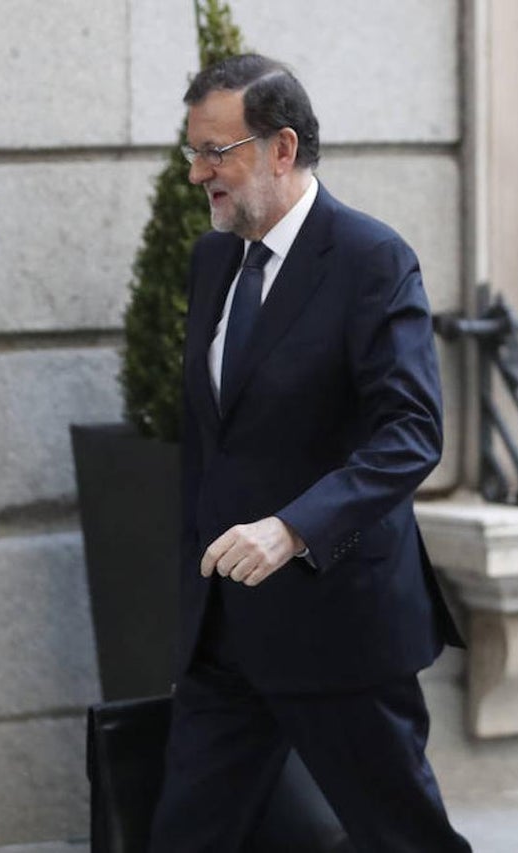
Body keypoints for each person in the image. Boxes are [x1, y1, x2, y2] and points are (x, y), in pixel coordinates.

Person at [148, 53, 471, 852]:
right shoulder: (212, 258)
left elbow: (411, 433)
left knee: (402, 837)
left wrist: (291, 529)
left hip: (339, 628)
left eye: (215, 153)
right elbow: (217, 439)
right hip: (225, 630)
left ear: (281, 148)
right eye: (194, 153)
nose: (198, 174)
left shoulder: (370, 260)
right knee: (186, 834)